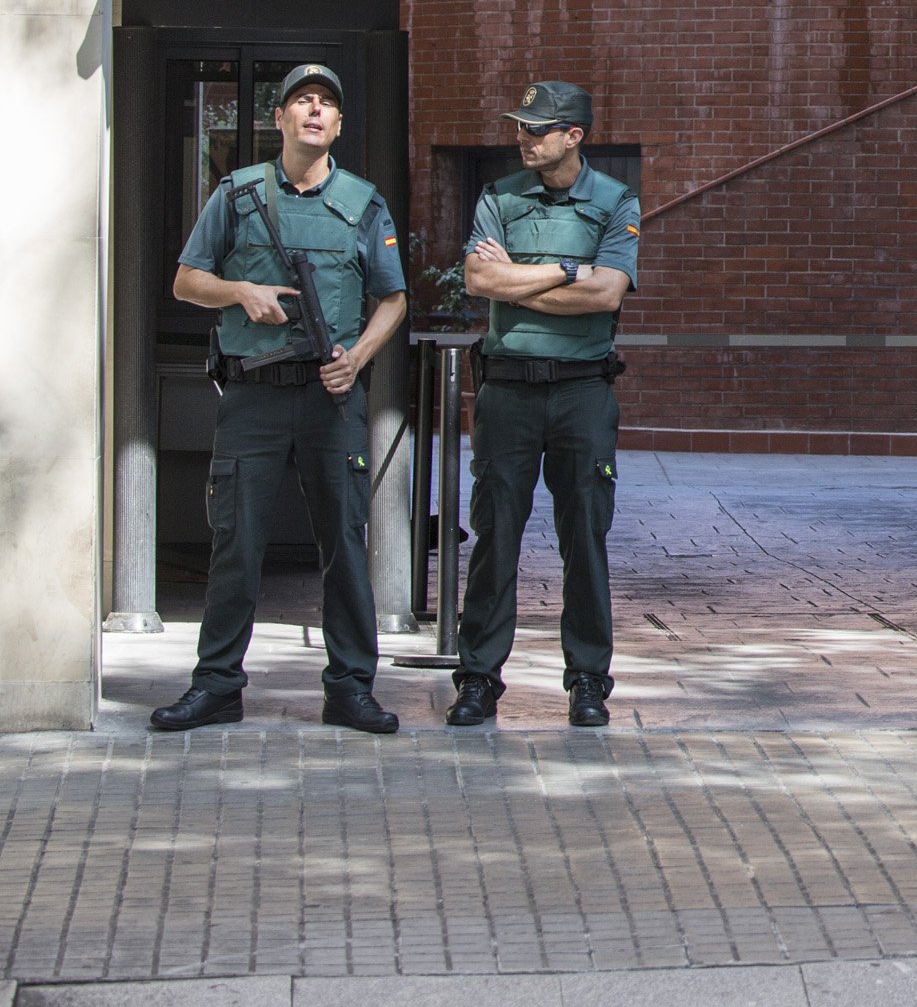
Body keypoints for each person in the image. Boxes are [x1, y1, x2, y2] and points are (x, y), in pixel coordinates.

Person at [153, 62, 408, 733]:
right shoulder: (237, 195)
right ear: (280, 119)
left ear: (340, 124)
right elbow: (185, 281)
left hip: (331, 399)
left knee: (346, 548)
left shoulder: (363, 202)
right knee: (236, 545)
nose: (315, 111)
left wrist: (357, 358)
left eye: (327, 102)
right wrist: (242, 292)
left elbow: (394, 297)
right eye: (303, 101)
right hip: (254, 396)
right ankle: (216, 687)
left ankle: (351, 689)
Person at [447, 81, 641, 730]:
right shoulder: (497, 197)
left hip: (583, 390)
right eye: (522, 127)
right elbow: (479, 280)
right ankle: (478, 679)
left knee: (584, 537)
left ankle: (588, 680)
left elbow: (608, 294)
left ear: (574, 135)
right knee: (495, 536)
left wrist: (521, 281)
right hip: (506, 390)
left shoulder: (615, 202)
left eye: (538, 128)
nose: (525, 138)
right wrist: (566, 270)